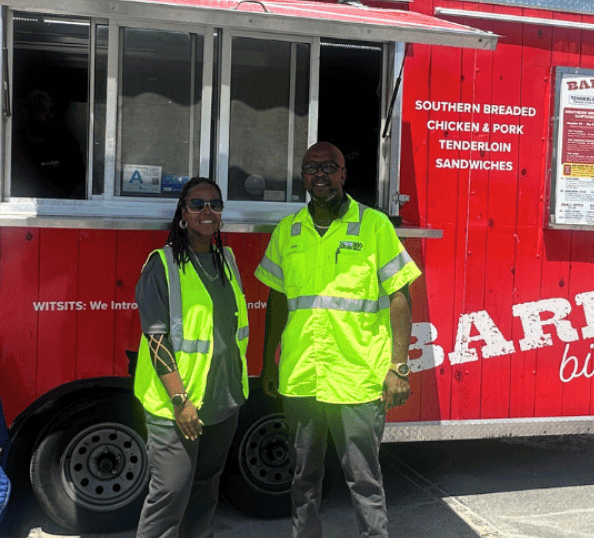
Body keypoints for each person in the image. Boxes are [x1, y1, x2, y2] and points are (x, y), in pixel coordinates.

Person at [255, 142, 420, 538]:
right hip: (302, 374)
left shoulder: (374, 225)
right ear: (303, 177)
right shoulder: (288, 230)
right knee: (302, 480)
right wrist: (267, 362)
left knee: (364, 481)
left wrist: (398, 366)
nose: (321, 174)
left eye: (330, 167)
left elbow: (400, 295)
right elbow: (277, 301)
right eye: (312, 168)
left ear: (344, 175)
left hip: (358, 376)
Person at [133, 177, 250, 538]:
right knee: (169, 492)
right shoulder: (162, 265)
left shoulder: (226, 259)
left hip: (222, 399)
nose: (207, 211)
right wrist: (180, 400)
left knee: (204, 488)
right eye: (197, 205)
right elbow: (157, 339)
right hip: (178, 405)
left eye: (214, 204)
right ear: (182, 213)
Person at [13, 90, 86, 198]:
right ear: (27, 112)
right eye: (41, 109)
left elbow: (80, 183)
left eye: (51, 110)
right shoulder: (14, 144)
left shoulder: (67, 145)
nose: (48, 115)